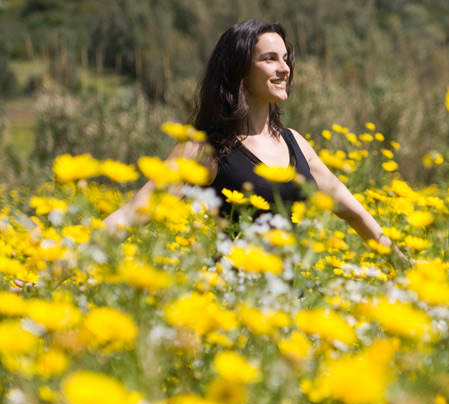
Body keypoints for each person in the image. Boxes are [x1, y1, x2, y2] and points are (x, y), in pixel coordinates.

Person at [103, 19, 398, 256]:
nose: (285, 68)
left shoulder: (296, 144)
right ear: (239, 70)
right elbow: (134, 213)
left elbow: (354, 214)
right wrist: (68, 258)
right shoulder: (203, 150)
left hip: (288, 312)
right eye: (270, 59)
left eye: (285, 58)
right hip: (233, 313)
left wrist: (401, 264)